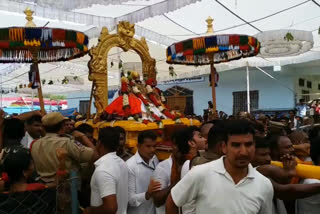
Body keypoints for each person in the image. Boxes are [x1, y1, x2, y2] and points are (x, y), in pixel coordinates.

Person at [166, 120, 274, 214]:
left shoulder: (264, 185)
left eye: (248, 144)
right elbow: (172, 201)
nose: (243, 152)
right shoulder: (200, 173)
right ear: (223, 147)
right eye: (236, 145)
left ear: (254, 146)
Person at [30, 112, 97, 184]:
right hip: (67, 187)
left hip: (44, 188)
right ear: (62, 126)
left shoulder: (35, 143)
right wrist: (83, 137)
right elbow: (95, 155)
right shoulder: (67, 142)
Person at [84, 127, 128, 214]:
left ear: (99, 143)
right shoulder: (121, 163)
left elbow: (111, 208)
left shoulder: (103, 170)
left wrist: (91, 211)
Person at [152, 128, 190, 214]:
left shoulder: (194, 164)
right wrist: (179, 182)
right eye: (176, 145)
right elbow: (157, 201)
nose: (178, 149)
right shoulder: (163, 167)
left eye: (182, 145)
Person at [126, 130, 161, 214]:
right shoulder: (130, 166)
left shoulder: (154, 159)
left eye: (154, 146)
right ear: (138, 146)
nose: (152, 150)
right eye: (148, 146)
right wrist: (147, 194)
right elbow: (130, 200)